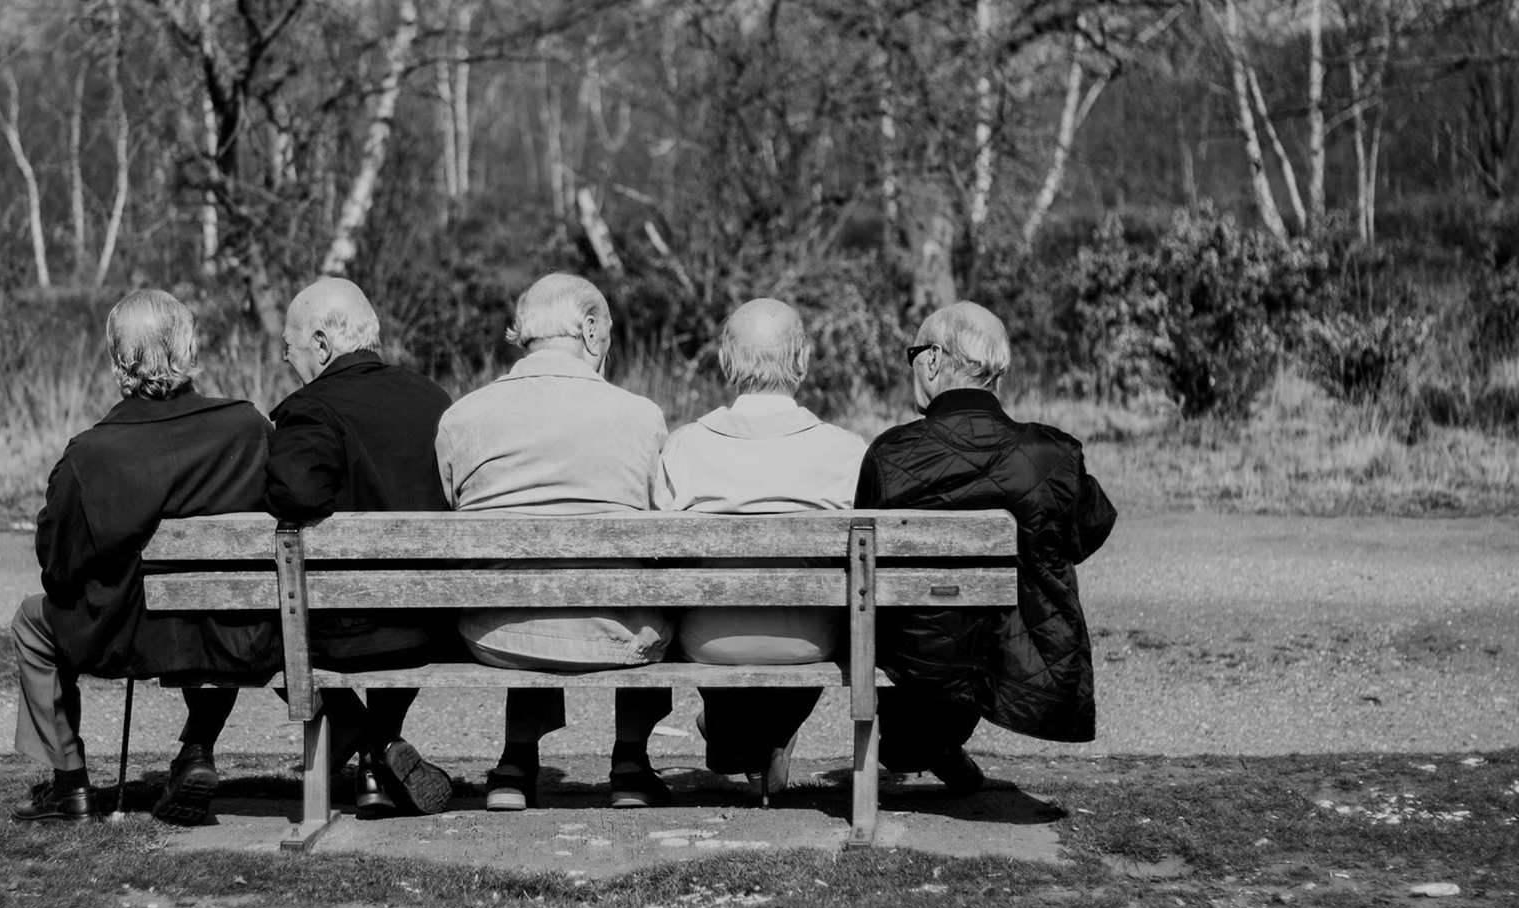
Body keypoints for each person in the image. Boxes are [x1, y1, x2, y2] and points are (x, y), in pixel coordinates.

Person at [9, 289, 279, 825]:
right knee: (226, 605)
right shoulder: (248, 428)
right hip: (229, 630)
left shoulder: (90, 452)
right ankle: (196, 749)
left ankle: (70, 784)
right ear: (189, 346)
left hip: (121, 633)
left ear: (117, 359)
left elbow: (56, 568)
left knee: (30, 621)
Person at [854, 300, 1117, 792]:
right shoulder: (1053, 454)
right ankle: (932, 745)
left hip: (915, 658)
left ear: (932, 359)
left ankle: (922, 743)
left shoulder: (889, 454)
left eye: (913, 354)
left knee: (926, 629)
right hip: (1010, 653)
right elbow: (1088, 532)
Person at [436, 273, 675, 810]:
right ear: (591, 331)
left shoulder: (461, 417)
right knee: (651, 583)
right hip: (614, 633)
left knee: (530, 587)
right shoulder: (642, 418)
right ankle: (631, 763)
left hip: (493, 632)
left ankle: (515, 763)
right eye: (608, 336)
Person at [653, 298, 868, 803]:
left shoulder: (684, 447)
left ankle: (740, 741)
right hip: (814, 643)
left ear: (727, 362)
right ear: (803, 360)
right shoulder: (846, 452)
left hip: (708, 641)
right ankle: (759, 739)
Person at [262, 277, 455, 817]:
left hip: (341, 634)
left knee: (256, 622)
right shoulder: (433, 400)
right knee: (392, 598)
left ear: (321, 345)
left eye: (290, 349)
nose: (288, 363)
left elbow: (294, 494)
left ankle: (359, 732)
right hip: (431, 625)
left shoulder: (311, 410)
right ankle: (380, 756)